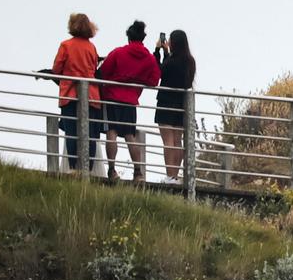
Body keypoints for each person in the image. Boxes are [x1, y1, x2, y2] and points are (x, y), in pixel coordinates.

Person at [96, 20, 161, 184]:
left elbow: (102, 73)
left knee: (112, 133)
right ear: (143, 38)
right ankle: (138, 172)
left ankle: (112, 170)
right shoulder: (149, 59)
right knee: (130, 136)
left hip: (112, 97)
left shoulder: (119, 53)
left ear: (129, 37)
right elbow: (154, 81)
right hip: (131, 100)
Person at [45, 13, 102, 171]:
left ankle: (73, 168)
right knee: (89, 134)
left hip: (70, 93)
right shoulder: (92, 47)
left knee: (72, 131)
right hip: (91, 94)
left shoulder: (66, 45)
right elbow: (94, 68)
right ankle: (87, 169)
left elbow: (57, 69)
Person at [154, 29, 196, 182]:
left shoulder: (171, 61)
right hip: (181, 103)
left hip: (166, 101)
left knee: (168, 141)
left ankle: (170, 175)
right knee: (178, 141)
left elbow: (159, 71)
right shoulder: (190, 62)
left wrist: (158, 51)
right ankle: (175, 175)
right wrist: (167, 54)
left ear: (175, 43)